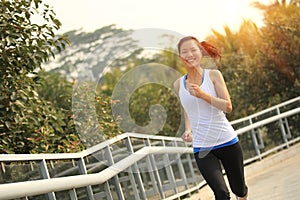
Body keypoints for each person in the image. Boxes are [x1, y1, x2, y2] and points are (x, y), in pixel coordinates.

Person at [173, 36, 249, 200]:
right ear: (180, 57)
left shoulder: (214, 75)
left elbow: (228, 106)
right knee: (221, 193)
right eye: (184, 52)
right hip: (202, 147)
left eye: (193, 50)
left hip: (227, 141)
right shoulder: (178, 84)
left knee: (239, 189)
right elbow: (187, 107)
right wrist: (188, 129)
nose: (189, 54)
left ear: (200, 52)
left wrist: (203, 95)